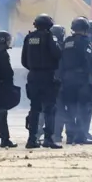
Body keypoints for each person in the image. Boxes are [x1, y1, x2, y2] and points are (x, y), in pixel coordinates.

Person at [21, 14, 63, 149]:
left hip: (33, 76)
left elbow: (24, 60)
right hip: (47, 76)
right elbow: (57, 54)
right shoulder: (49, 36)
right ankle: (48, 138)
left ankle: (31, 139)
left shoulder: (29, 37)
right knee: (50, 108)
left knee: (34, 108)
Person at [59, 17, 92, 145]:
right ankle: (81, 136)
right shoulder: (85, 41)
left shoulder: (66, 42)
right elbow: (89, 60)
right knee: (84, 108)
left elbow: (61, 61)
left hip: (67, 79)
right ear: (86, 28)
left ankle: (70, 136)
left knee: (70, 108)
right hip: (82, 79)